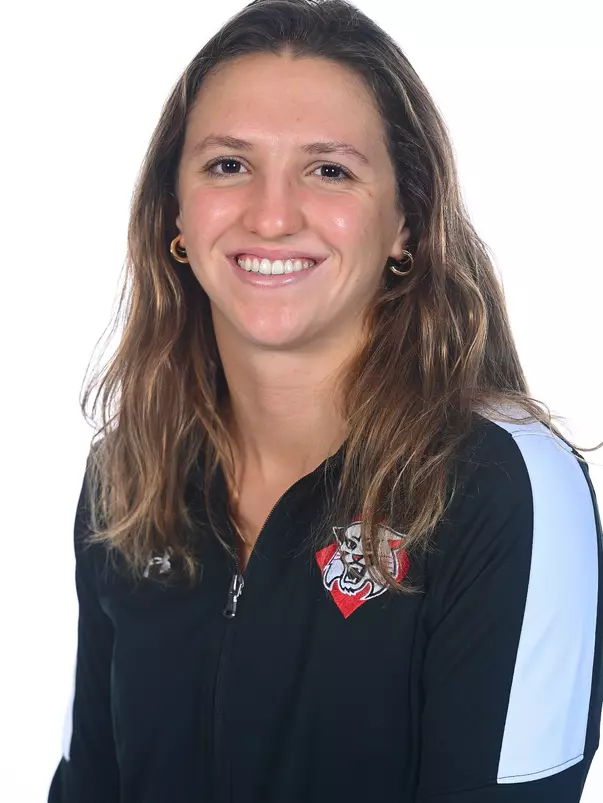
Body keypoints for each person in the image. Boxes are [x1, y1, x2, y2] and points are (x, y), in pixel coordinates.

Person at [48, 1, 602, 801]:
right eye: (227, 165)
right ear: (175, 212)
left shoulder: (505, 486)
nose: (272, 216)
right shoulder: (130, 476)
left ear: (406, 222)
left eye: (329, 170)